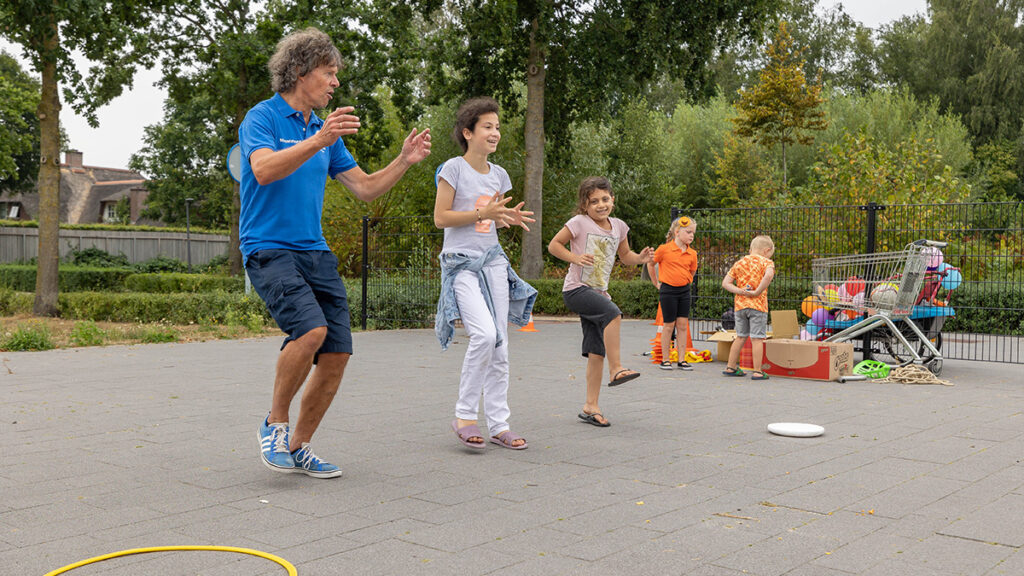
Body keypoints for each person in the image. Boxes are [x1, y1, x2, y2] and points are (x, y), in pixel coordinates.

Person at [240, 28, 432, 478]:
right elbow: (263, 170)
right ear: (301, 72)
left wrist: (403, 161)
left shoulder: (324, 132)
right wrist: (318, 141)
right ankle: (275, 424)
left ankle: (300, 447)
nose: (335, 83)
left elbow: (364, 188)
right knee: (310, 331)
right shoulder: (263, 117)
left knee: (338, 351)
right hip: (268, 247)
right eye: (329, 73)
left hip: (315, 251)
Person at [434, 97, 537, 451]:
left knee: (501, 344)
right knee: (483, 334)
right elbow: (441, 218)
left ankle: (499, 424)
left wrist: (507, 217)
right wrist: (485, 214)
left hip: (492, 261)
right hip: (461, 263)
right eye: (487, 127)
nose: (495, 133)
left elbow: (492, 216)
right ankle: (464, 416)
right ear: (468, 132)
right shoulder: (453, 169)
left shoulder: (499, 174)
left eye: (497, 127)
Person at [548, 177, 654, 427]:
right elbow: (554, 245)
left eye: (605, 199)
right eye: (593, 201)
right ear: (584, 205)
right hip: (576, 290)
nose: (600, 205)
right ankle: (617, 368)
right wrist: (574, 257)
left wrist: (642, 257)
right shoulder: (578, 223)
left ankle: (590, 407)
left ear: (612, 200)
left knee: (596, 352)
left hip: (598, 293)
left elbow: (626, 256)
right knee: (613, 314)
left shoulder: (619, 227)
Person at [721, 235, 776, 380]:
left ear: (751, 249)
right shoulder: (767, 262)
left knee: (740, 336)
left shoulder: (740, 263)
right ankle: (758, 371)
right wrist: (757, 291)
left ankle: (731, 367)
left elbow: (726, 283)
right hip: (758, 306)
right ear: (767, 250)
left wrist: (739, 291)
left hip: (740, 306)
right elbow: (769, 276)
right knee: (757, 338)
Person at [647, 216, 698, 370]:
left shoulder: (692, 253)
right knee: (669, 324)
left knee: (682, 325)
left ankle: (681, 359)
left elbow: (693, 270)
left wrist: (687, 280)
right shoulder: (664, 249)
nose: (691, 236)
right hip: (668, 290)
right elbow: (651, 264)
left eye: (693, 233)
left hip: (684, 291)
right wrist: (656, 283)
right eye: (688, 232)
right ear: (677, 232)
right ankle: (665, 359)